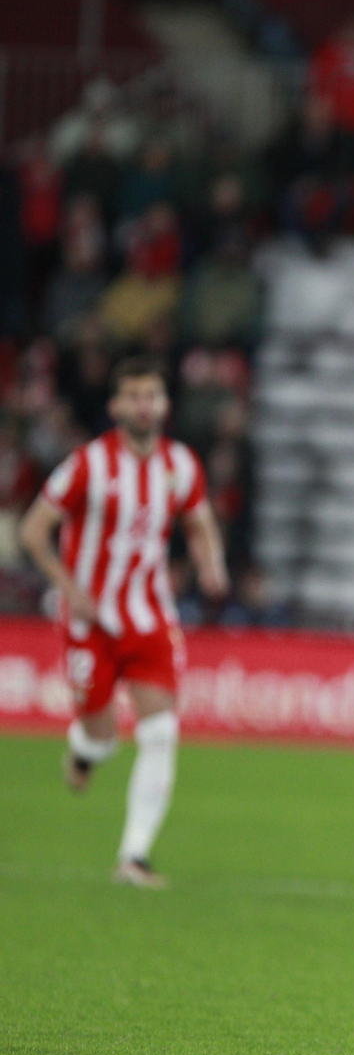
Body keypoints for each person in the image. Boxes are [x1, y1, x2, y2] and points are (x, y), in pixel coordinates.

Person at [18, 355, 229, 889]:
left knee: (160, 732)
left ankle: (134, 856)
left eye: (152, 395)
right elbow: (33, 531)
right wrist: (70, 590)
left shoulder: (180, 464)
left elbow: (200, 521)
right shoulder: (88, 464)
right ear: (116, 406)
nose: (144, 406)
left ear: (165, 403)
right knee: (101, 736)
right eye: (134, 396)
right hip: (90, 622)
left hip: (150, 615)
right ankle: (85, 750)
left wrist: (211, 565)